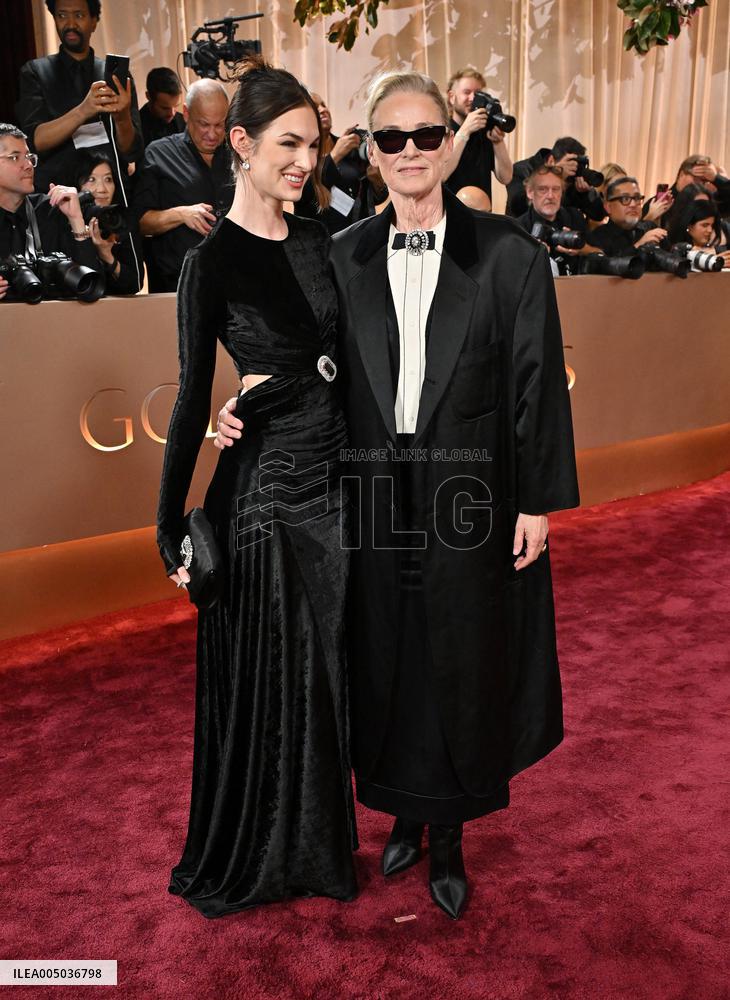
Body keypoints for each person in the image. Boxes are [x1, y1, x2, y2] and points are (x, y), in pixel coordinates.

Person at [216, 71, 579, 921]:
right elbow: (306, 368)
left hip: (473, 492)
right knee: (385, 654)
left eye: (426, 136)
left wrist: (537, 503)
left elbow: (537, 389)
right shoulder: (338, 255)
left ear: (451, 142)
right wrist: (246, 402)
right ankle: (402, 814)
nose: (410, 152)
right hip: (369, 492)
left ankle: (449, 834)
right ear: (371, 154)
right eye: (391, 139)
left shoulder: (510, 255)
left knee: (461, 654)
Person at [156, 58, 357, 918]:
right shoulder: (210, 265)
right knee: (283, 670)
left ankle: (317, 844)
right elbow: (194, 392)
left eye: (313, 144)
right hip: (263, 494)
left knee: (331, 670)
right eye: (288, 144)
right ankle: (270, 850)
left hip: (338, 477)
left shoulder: (324, 240)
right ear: (240, 144)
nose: (305, 161)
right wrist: (167, 527)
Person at [15, 0, 143, 196]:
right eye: (62, 15)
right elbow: (34, 141)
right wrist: (84, 110)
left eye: (79, 15)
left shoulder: (113, 76)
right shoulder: (35, 72)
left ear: (94, 21)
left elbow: (131, 151)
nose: (70, 24)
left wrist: (122, 117)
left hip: (108, 195)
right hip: (55, 196)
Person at [133, 79, 233, 292]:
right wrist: (180, 214)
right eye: (204, 124)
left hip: (232, 284)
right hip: (177, 286)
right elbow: (140, 222)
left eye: (220, 124)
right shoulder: (159, 154)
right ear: (186, 114)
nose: (213, 134)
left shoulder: (238, 156)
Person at [0, 123, 100, 301]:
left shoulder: (51, 210)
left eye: (29, 157)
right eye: (15, 158)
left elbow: (90, 290)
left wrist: (76, 219)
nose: (29, 165)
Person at [294, 93, 371, 234]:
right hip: (317, 239)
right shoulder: (299, 153)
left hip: (355, 236)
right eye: (316, 107)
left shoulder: (349, 147)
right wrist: (335, 155)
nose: (323, 109)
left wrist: (376, 180)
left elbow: (371, 197)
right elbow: (304, 193)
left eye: (324, 104)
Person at [75, 150, 143, 293]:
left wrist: (106, 255)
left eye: (108, 180)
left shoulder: (121, 221)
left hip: (115, 311)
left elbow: (135, 284)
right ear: (77, 184)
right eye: (92, 179)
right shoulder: (63, 223)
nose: (102, 189)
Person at [443, 66, 513, 204]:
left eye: (478, 93)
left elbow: (506, 177)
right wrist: (465, 131)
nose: (472, 98)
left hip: (482, 215)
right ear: (452, 97)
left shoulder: (484, 131)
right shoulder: (442, 130)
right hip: (450, 215)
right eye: (467, 92)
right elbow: (441, 175)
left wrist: (498, 143)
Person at [515, 164, 592, 274]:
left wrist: (581, 249)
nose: (550, 196)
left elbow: (599, 252)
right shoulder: (519, 227)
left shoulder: (575, 217)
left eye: (556, 189)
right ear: (530, 192)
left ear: (562, 192)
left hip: (575, 286)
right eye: (543, 189)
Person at [507, 137, 605, 222]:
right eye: (570, 162)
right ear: (551, 160)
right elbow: (517, 207)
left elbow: (599, 215)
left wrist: (584, 194)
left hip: (561, 235)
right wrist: (555, 174)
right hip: (522, 234)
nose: (574, 168)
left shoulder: (573, 178)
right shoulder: (522, 169)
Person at [589, 176, 668, 257]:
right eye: (625, 199)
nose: (633, 204)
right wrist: (638, 246)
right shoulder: (598, 237)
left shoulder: (649, 227)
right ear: (608, 207)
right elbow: (607, 265)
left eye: (637, 198)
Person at [139, 67, 185, 147]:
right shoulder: (137, 127)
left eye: (176, 106)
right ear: (148, 96)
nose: (172, 113)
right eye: (165, 108)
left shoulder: (184, 122)